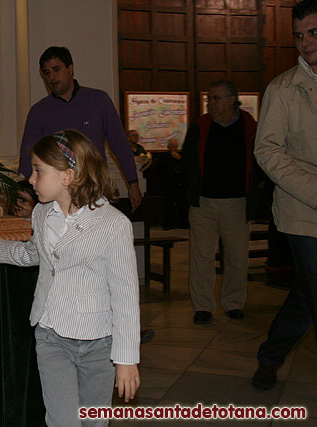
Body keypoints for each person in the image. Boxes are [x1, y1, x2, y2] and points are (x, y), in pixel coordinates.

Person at [0, 130, 140, 427]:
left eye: (38, 170)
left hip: (98, 343)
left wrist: (126, 359)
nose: (31, 179)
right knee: (62, 421)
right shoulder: (41, 213)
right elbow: (35, 254)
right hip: (51, 336)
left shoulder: (113, 224)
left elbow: (125, 296)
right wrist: (0, 249)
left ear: (68, 176)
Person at [252, 0, 317, 390]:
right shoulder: (282, 89)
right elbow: (267, 151)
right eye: (299, 35)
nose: (305, 42)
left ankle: (270, 355)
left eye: (313, 32)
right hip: (301, 210)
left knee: (308, 295)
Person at [17, 46, 142, 216]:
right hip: (55, 199)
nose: (52, 77)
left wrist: (133, 183)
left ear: (70, 69)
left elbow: (119, 144)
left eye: (56, 69)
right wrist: (25, 196)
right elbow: (27, 157)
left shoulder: (99, 101)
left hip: (94, 192)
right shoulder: (39, 111)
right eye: (46, 73)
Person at [181, 80, 258, 324]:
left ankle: (233, 303)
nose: (210, 103)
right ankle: (203, 306)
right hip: (204, 202)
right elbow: (187, 161)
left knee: (236, 256)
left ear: (232, 99)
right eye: (209, 98)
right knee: (201, 256)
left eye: (216, 98)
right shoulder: (200, 126)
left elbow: (259, 161)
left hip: (236, 202)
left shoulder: (249, 126)